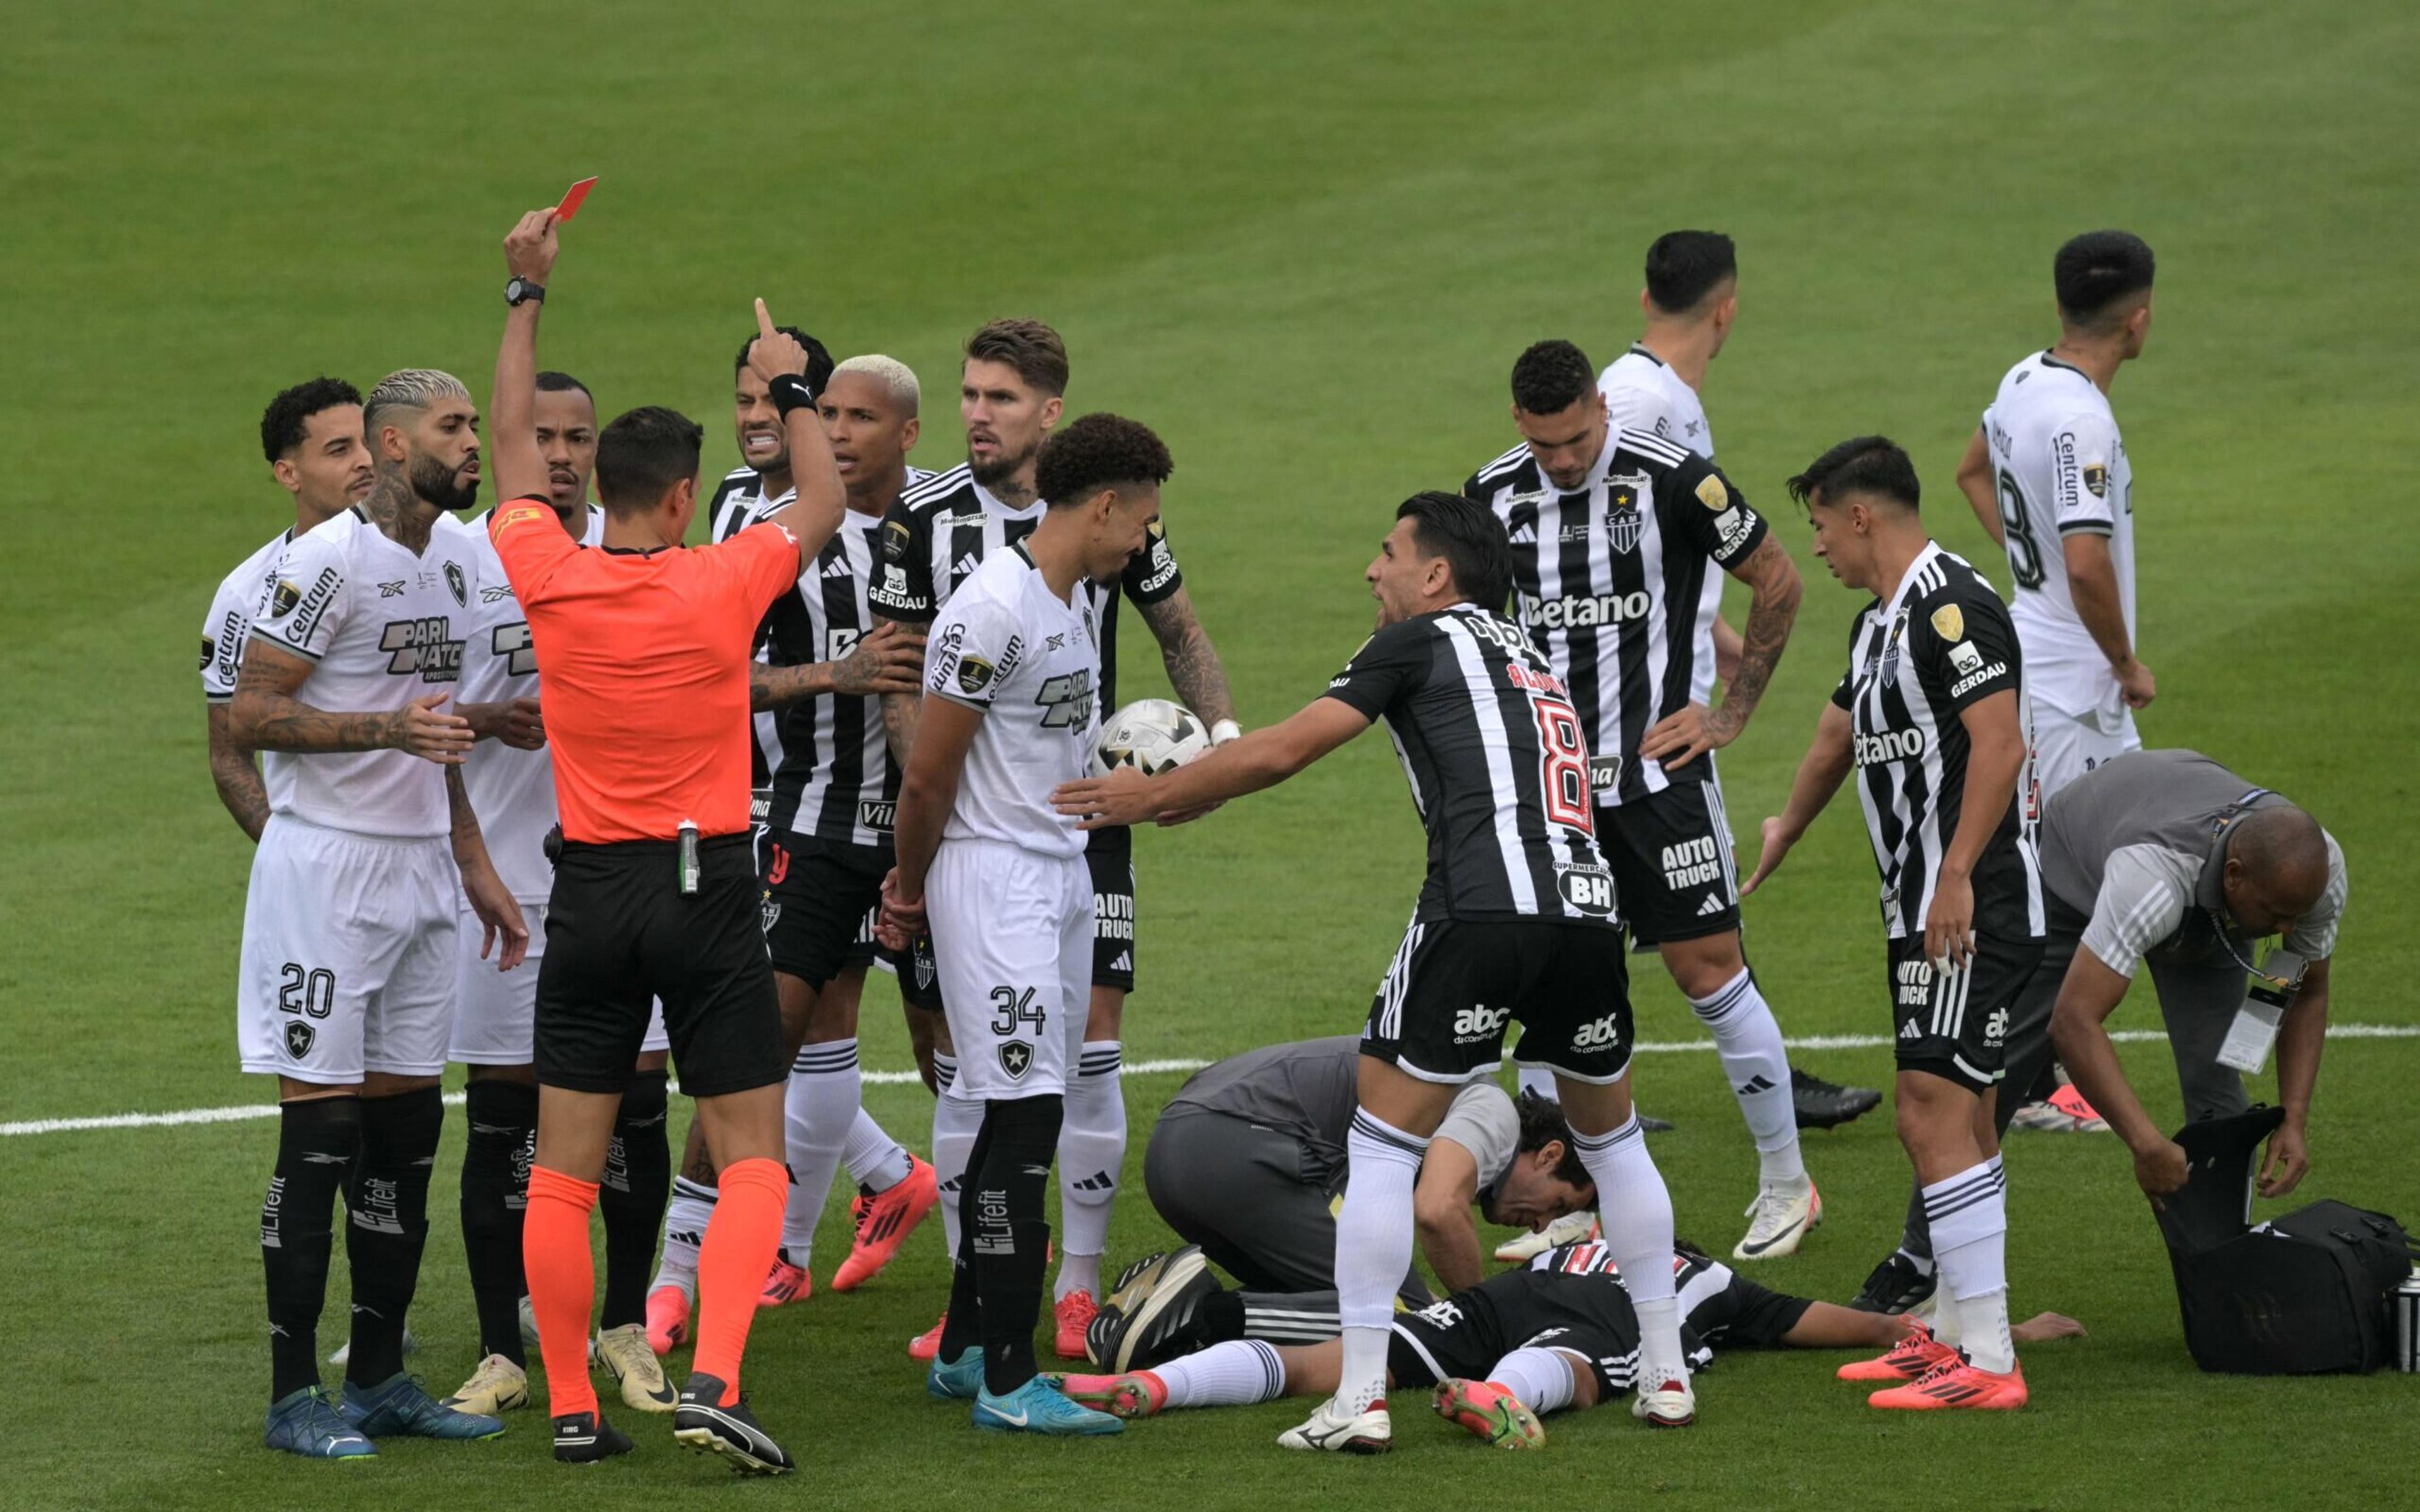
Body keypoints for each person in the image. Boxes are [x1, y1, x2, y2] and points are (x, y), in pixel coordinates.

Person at [1054, 491, 1696, 1450]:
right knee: (1617, 1146)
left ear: (1436, 575)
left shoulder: (1417, 642)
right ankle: (1666, 1373)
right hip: (1587, 918)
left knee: (1385, 1151)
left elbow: (1284, 750)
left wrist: (1147, 799)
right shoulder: (1532, 657)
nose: (1371, 569)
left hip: (1477, 913)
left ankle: (1359, 1399)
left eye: (1388, 552)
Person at [486, 207, 844, 1472]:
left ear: (604, 492)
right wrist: (793, 378)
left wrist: (525, 294)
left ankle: (575, 1405)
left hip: (590, 891)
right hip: (707, 885)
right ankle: (717, 1381)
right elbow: (824, 492)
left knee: (564, 1170)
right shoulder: (724, 577)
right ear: (687, 497)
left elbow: (520, 455)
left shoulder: (545, 565)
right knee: (751, 1153)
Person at [870, 318, 1239, 1358]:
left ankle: (964, 1354)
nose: (1147, 540)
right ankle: (1002, 1365)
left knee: (1043, 1093)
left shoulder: (1071, 599)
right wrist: (908, 886)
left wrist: (1153, 778)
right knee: (1014, 1116)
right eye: (1145, 519)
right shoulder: (990, 611)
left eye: (999, 395)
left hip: (1063, 867)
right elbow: (931, 767)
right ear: (1108, 506)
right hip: (995, 878)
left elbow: (1091, 719)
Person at [1464, 339, 1847, 1268]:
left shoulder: (1675, 480)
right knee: (1550, 989)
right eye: (1547, 444)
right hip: (1554, 791)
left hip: (1658, 779)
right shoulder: (1490, 496)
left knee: (1706, 971)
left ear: (1601, 405)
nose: (1565, 459)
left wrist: (1730, 714)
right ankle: (1570, 1205)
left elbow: (1779, 579)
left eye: (1579, 437)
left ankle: (1787, 1182)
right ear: (1520, 423)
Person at [229, 365, 529, 1458]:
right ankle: (291, 1393)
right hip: (328, 876)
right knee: (320, 1137)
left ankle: (381, 1378)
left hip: (422, 877)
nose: (473, 445)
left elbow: (433, 717)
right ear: (397, 448)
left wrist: (474, 855)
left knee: (407, 1136)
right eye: (454, 428)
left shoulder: (461, 558)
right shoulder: (323, 565)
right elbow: (254, 718)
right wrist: (386, 735)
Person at [645, 343, 938, 1344]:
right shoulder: (738, 513)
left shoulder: (926, 526)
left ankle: (794, 1242)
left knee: (833, 1031)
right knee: (755, 1034)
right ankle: (683, 1270)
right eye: (743, 401)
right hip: (786, 817)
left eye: (787, 403)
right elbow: (698, 674)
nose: (760, 419)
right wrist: (835, 676)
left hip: (900, 826)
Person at [1742, 437, 2043, 1410]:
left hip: (1969, 905)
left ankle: (1988, 1363)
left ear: (1861, 515)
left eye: (1822, 525)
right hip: (1923, 910)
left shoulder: (1953, 609)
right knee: (1964, 1114)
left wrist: (1955, 872)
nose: (1819, 547)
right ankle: (1956, 1333)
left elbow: (2000, 746)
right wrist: (1787, 825)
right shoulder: (1879, 626)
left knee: (1927, 1109)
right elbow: (1839, 733)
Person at [441, 369, 677, 1421]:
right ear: (511, 447)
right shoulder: (468, 563)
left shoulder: (638, 558)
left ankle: (625, 1324)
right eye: (543, 436)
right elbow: (419, 706)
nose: (565, 454)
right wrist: (488, 724)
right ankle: (502, 1349)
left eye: (579, 436)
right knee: (501, 1122)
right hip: (504, 888)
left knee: (634, 1110)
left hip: (625, 878)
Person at [1057, 1241, 2083, 1446]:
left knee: (1344, 1363)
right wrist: (1974, 1330)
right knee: (1589, 1369)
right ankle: (1504, 1401)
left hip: (1509, 1291)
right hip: (1574, 1323)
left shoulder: (1564, 1243)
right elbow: (1835, 1326)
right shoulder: (1702, 1279)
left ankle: (1157, 1385)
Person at [752, 355, 945, 1305]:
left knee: (935, 1046)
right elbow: (720, 677)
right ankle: (764, 1252)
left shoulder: (948, 529)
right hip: (811, 820)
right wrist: (839, 674)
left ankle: (999, 1256)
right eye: (823, 411)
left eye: (858, 416)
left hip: (935, 831)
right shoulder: (777, 534)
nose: (836, 430)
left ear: (906, 433)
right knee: (778, 1035)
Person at [1956, 230, 2158, 1140]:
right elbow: (2084, 566)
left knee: (2137, 868)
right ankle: (1994, 1093)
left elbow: (1970, 472)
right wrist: (2125, 659)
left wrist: (2023, 570)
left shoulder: (2020, 382)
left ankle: (2031, 1079)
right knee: (2063, 903)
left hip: (2067, 688)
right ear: (2141, 318)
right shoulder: (2085, 421)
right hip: (2070, 694)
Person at [2037, 752, 2345, 1196]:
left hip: (2213, 897)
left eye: (2297, 916)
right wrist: (2147, 1145)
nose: (2287, 931)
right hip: (2072, 869)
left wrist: (2293, 1120)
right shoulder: (2151, 882)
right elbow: (2073, 1021)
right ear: (2234, 876)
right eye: (2278, 916)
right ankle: (1924, 1255)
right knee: (2003, 1064)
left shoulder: (2316, 873)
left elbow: (2306, 991)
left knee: (2216, 1079)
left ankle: (2225, 1254)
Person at [1136, 1037, 1593, 1318]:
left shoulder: (1457, 1094)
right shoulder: (1494, 1113)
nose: (1539, 1226)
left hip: (1177, 1150)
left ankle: (1179, 1314)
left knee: (1335, 1305)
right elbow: (1437, 1209)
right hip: (1233, 1149)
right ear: (1550, 1156)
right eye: (1558, 1205)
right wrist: (1483, 1315)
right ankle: (1195, 1316)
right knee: (1405, 1318)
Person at [205, 379, 375, 841]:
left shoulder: (441, 553)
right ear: (289, 475)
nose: (366, 461)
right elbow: (228, 755)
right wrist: (284, 853)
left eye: (369, 442)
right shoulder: (246, 594)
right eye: (340, 450)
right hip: (327, 851)